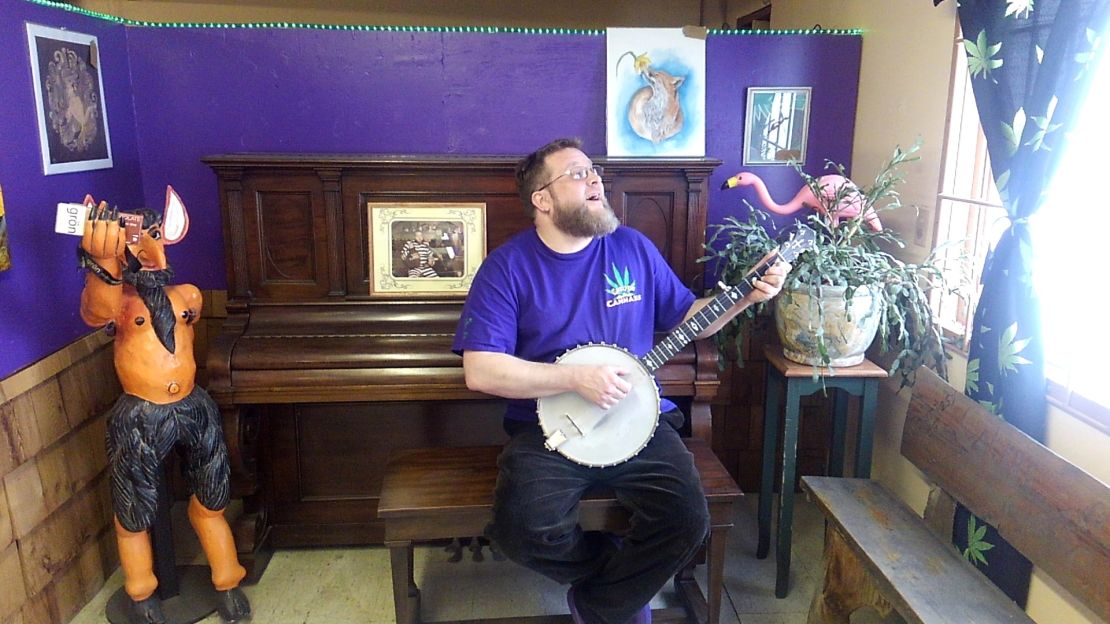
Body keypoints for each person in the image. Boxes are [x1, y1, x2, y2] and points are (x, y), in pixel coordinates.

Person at [452, 138, 790, 624]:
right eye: (576, 174)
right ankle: (614, 582)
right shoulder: (507, 268)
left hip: (641, 423)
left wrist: (745, 297)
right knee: (520, 530)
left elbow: (690, 317)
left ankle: (599, 603)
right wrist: (574, 379)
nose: (595, 180)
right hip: (549, 430)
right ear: (541, 199)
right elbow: (480, 370)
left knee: (687, 520)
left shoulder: (632, 248)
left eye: (593, 171)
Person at [78, 196, 250, 624]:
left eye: (153, 237)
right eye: (134, 241)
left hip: (193, 405)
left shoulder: (188, 296)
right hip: (141, 414)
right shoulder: (118, 303)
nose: (148, 252)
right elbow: (95, 308)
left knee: (212, 498)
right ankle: (142, 593)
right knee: (133, 510)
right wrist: (103, 265)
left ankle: (227, 580)